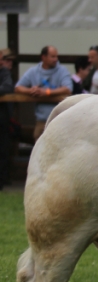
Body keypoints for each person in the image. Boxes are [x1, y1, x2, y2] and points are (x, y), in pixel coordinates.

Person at [15, 45, 72, 140]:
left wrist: (48, 92)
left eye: (56, 56)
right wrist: (30, 90)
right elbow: (18, 87)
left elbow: (67, 89)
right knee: (37, 139)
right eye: (52, 56)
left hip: (59, 117)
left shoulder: (62, 70)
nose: (55, 59)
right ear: (43, 57)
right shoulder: (33, 71)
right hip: (41, 119)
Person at [0, 51, 13, 187]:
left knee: (2, 149)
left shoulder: (4, 72)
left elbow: (7, 87)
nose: (3, 62)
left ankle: (2, 180)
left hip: (2, 118)